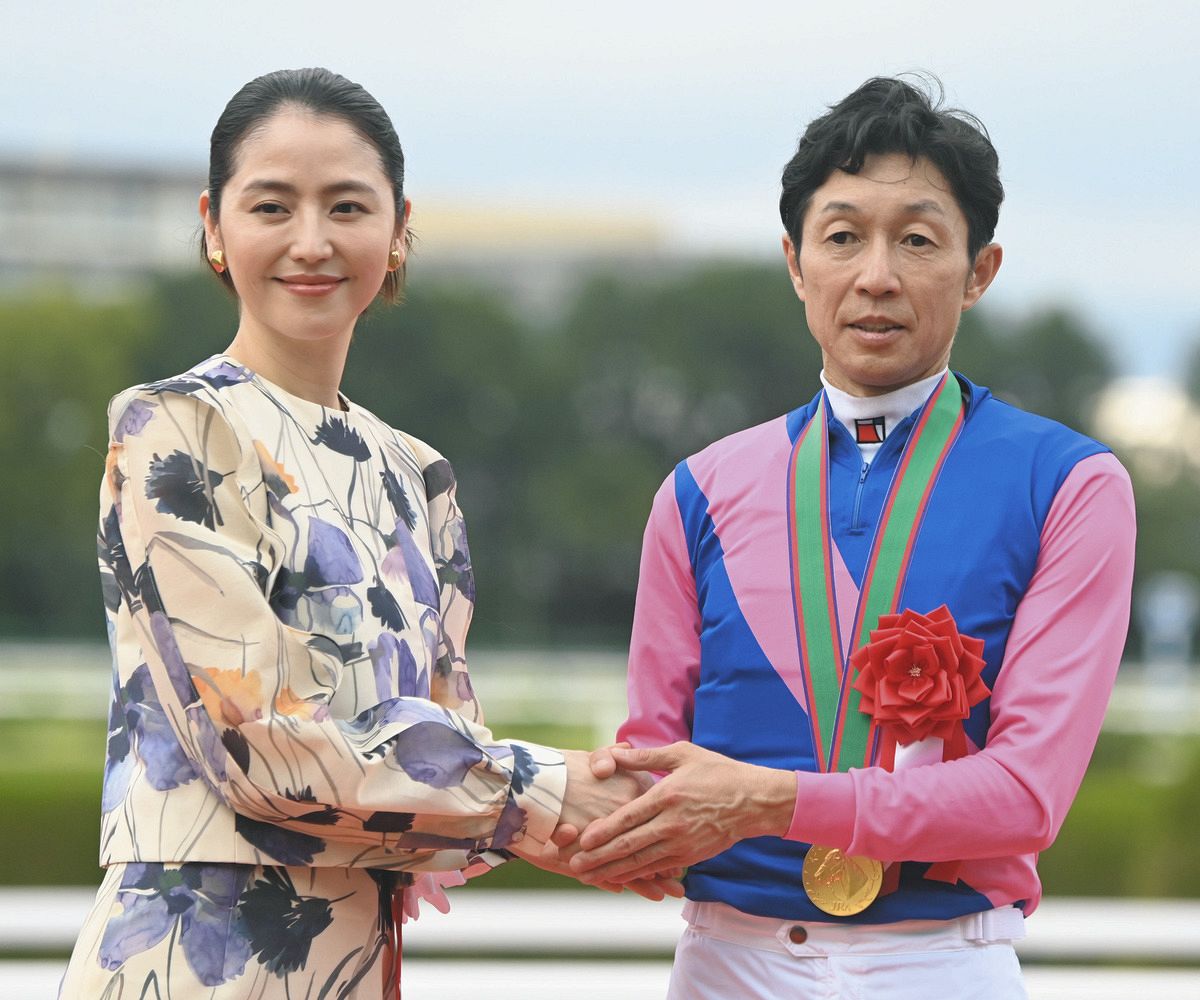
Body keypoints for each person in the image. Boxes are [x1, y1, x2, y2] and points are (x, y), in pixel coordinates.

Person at [59, 67, 676, 1000]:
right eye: (272, 205)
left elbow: (441, 753)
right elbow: (256, 746)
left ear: (397, 232)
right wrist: (544, 796)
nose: (312, 242)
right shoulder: (175, 427)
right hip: (192, 963)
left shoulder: (415, 474)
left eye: (347, 206)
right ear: (214, 226)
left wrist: (606, 829)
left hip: (355, 962)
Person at [564, 76, 1136, 998]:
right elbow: (646, 766)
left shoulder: (1068, 484)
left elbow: (1026, 796)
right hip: (722, 962)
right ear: (795, 264)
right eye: (842, 238)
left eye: (917, 239)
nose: (877, 276)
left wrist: (771, 801)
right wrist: (483, 810)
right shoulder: (697, 490)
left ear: (979, 269)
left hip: (941, 961)